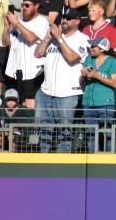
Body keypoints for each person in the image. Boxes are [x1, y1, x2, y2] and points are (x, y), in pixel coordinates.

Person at [33, 8, 89, 153]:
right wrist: (47, 38)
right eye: (64, 17)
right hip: (46, 91)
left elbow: (72, 59)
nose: (64, 20)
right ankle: (43, 160)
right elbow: (38, 53)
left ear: (77, 21)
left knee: (65, 132)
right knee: (44, 129)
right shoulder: (52, 39)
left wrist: (59, 39)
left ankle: (62, 164)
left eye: (69, 18)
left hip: (67, 93)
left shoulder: (82, 39)